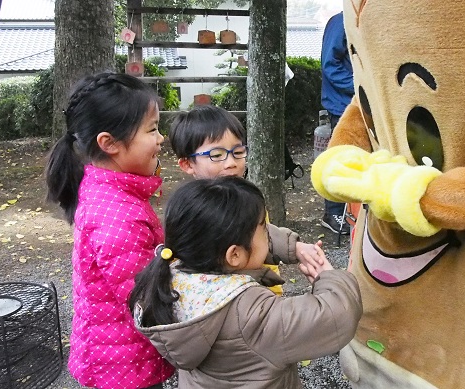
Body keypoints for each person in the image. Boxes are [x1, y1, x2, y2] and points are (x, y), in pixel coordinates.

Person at [129, 177, 362, 388]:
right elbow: (335, 317)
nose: (267, 231)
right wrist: (329, 277)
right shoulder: (249, 314)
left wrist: (293, 247)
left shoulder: (174, 273)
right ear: (234, 255)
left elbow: (243, 244)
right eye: (262, 226)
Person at [44, 72, 174, 388]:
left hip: (117, 356)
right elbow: (143, 301)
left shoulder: (111, 192)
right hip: (124, 368)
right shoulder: (118, 218)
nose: (161, 139)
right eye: (152, 129)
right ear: (110, 143)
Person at [168, 105, 322, 294]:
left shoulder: (246, 198)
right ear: (187, 164)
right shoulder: (195, 212)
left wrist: (295, 247)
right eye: (217, 155)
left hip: (265, 294)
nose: (231, 162)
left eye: (238, 152)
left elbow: (263, 234)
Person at [320, 11, 354, 235]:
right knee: (339, 160)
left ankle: (351, 210)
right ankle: (333, 213)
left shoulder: (362, 17)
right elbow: (330, 65)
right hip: (341, 105)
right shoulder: (341, 21)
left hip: (358, 103)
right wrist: (362, 85)